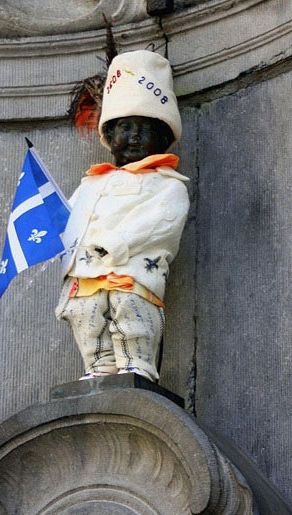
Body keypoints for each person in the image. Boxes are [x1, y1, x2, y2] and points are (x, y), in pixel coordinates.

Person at [56, 50, 190, 383]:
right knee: (85, 316)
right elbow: (71, 218)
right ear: (109, 135)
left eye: (144, 129)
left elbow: (161, 222)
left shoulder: (167, 184)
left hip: (132, 270)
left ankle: (137, 363)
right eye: (125, 127)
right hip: (86, 271)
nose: (133, 136)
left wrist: (118, 241)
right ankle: (98, 365)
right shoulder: (91, 182)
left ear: (161, 138)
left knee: (132, 312)